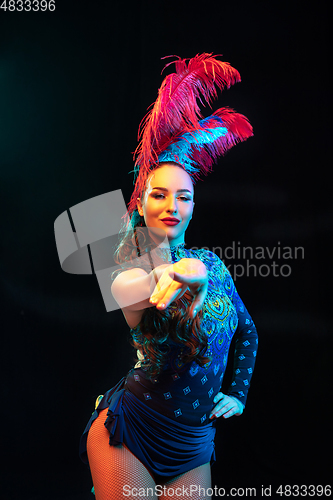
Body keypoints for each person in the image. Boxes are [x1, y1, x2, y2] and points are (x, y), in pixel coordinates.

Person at [79, 53, 258, 500]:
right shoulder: (129, 270)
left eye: (184, 197)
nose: (172, 206)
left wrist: (237, 392)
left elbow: (248, 332)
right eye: (159, 194)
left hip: (194, 444)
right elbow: (130, 289)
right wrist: (172, 273)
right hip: (132, 428)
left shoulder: (212, 264)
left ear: (194, 206)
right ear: (142, 204)